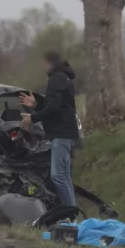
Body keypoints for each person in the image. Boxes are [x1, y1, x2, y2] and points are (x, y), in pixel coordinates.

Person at [18, 50, 79, 208]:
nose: (42, 66)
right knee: (64, 176)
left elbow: (54, 107)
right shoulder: (63, 77)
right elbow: (58, 106)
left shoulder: (56, 78)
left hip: (62, 133)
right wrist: (36, 105)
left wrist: (33, 117)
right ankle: (71, 213)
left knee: (58, 176)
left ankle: (70, 214)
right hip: (65, 132)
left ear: (49, 62)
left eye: (43, 63)